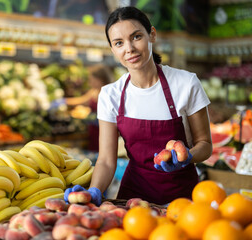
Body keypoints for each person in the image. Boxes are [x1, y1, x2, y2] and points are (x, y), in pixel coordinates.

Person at [64, 6, 212, 206]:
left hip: (181, 199)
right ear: (113, 50)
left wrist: (187, 157)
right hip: (133, 198)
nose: (129, 49)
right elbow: (107, 161)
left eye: (136, 37)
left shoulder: (186, 83)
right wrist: (94, 191)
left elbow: (205, 144)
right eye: (119, 43)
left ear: (151, 34)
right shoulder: (110, 95)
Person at [65, 64, 114, 152]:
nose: (89, 83)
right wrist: (63, 101)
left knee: (105, 152)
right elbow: (81, 100)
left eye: (91, 80)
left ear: (100, 79)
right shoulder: (94, 92)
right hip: (94, 131)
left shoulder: (110, 93)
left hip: (105, 131)